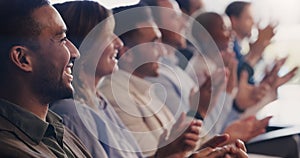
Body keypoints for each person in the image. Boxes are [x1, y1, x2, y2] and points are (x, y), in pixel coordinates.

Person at [51, 1, 204, 158]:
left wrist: (170, 151)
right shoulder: (72, 112)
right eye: (108, 35)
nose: (118, 43)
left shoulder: (99, 101)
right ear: (83, 46)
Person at [189, 12, 299, 157]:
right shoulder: (201, 73)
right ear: (204, 35)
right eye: (224, 28)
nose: (231, 34)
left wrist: (265, 93)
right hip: (220, 143)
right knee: (293, 143)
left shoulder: (221, 67)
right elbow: (213, 128)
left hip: (228, 138)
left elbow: (231, 115)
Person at [0, 0, 92, 157]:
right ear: (23, 59)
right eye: (62, 39)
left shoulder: (55, 128)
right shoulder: (10, 150)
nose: (75, 52)